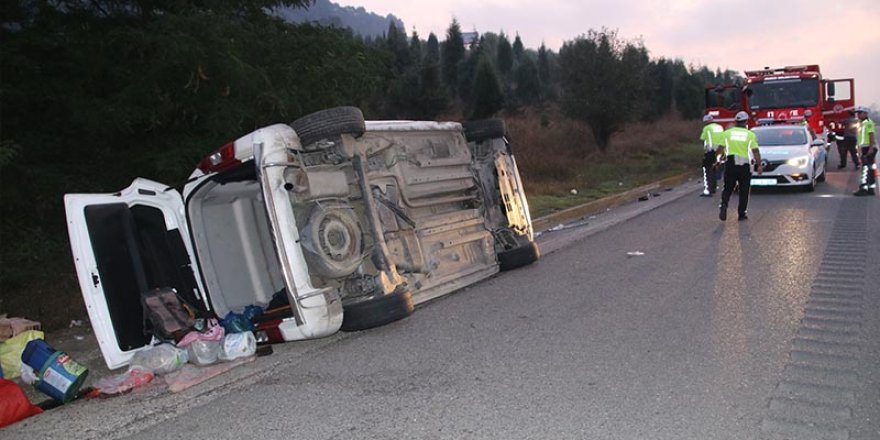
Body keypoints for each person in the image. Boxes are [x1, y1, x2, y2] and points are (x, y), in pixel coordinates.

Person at [717, 111, 763, 221]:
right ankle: (742, 213)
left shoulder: (727, 133)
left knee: (728, 188)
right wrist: (759, 165)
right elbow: (755, 151)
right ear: (746, 121)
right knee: (744, 190)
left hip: (731, 162)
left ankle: (724, 205)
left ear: (736, 121)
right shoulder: (750, 135)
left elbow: (720, 148)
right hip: (744, 164)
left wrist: (717, 159)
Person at [853, 106, 877, 196]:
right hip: (865, 148)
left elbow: (871, 136)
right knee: (870, 169)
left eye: (860, 113)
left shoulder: (868, 123)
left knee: (865, 169)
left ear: (865, 113)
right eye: (857, 113)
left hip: (868, 148)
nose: (858, 115)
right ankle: (871, 188)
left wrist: (870, 148)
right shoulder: (861, 123)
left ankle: (863, 188)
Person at [699, 114, 724, 196]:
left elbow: (702, 138)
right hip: (720, 150)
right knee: (715, 169)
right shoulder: (719, 127)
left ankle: (709, 190)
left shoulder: (707, 128)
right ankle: (714, 187)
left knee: (707, 170)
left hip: (711, 151)